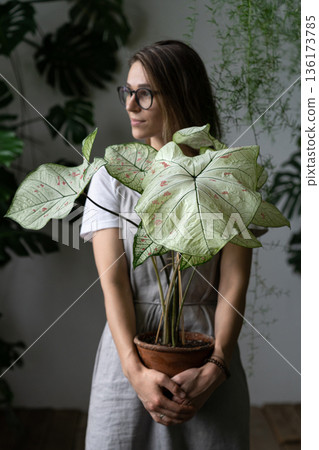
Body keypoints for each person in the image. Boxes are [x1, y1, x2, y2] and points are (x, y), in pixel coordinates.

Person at [80, 40, 252, 450]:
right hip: (129, 355)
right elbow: (114, 283)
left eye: (144, 93)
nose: (130, 105)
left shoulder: (226, 173)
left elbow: (232, 286)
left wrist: (215, 367)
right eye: (127, 92)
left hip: (207, 352)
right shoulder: (112, 179)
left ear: (180, 95)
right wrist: (135, 372)